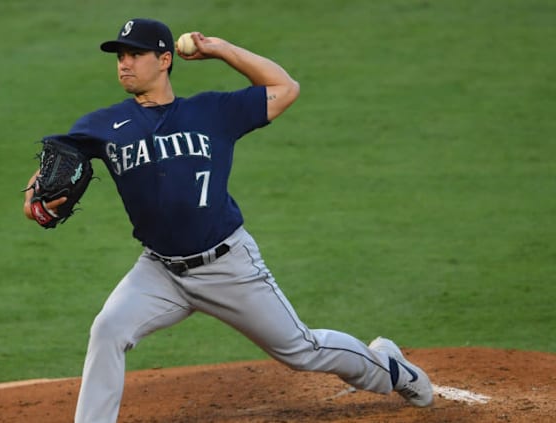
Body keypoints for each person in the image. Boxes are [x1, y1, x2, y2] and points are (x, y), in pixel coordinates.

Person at [23, 18, 433, 423]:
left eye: (135, 54)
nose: (124, 63)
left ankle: (391, 367)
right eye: (120, 56)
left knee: (301, 350)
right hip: (159, 271)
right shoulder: (103, 125)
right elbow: (57, 161)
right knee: (108, 330)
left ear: (165, 59)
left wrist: (221, 50)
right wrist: (33, 196)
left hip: (227, 266)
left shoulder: (212, 111)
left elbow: (285, 88)